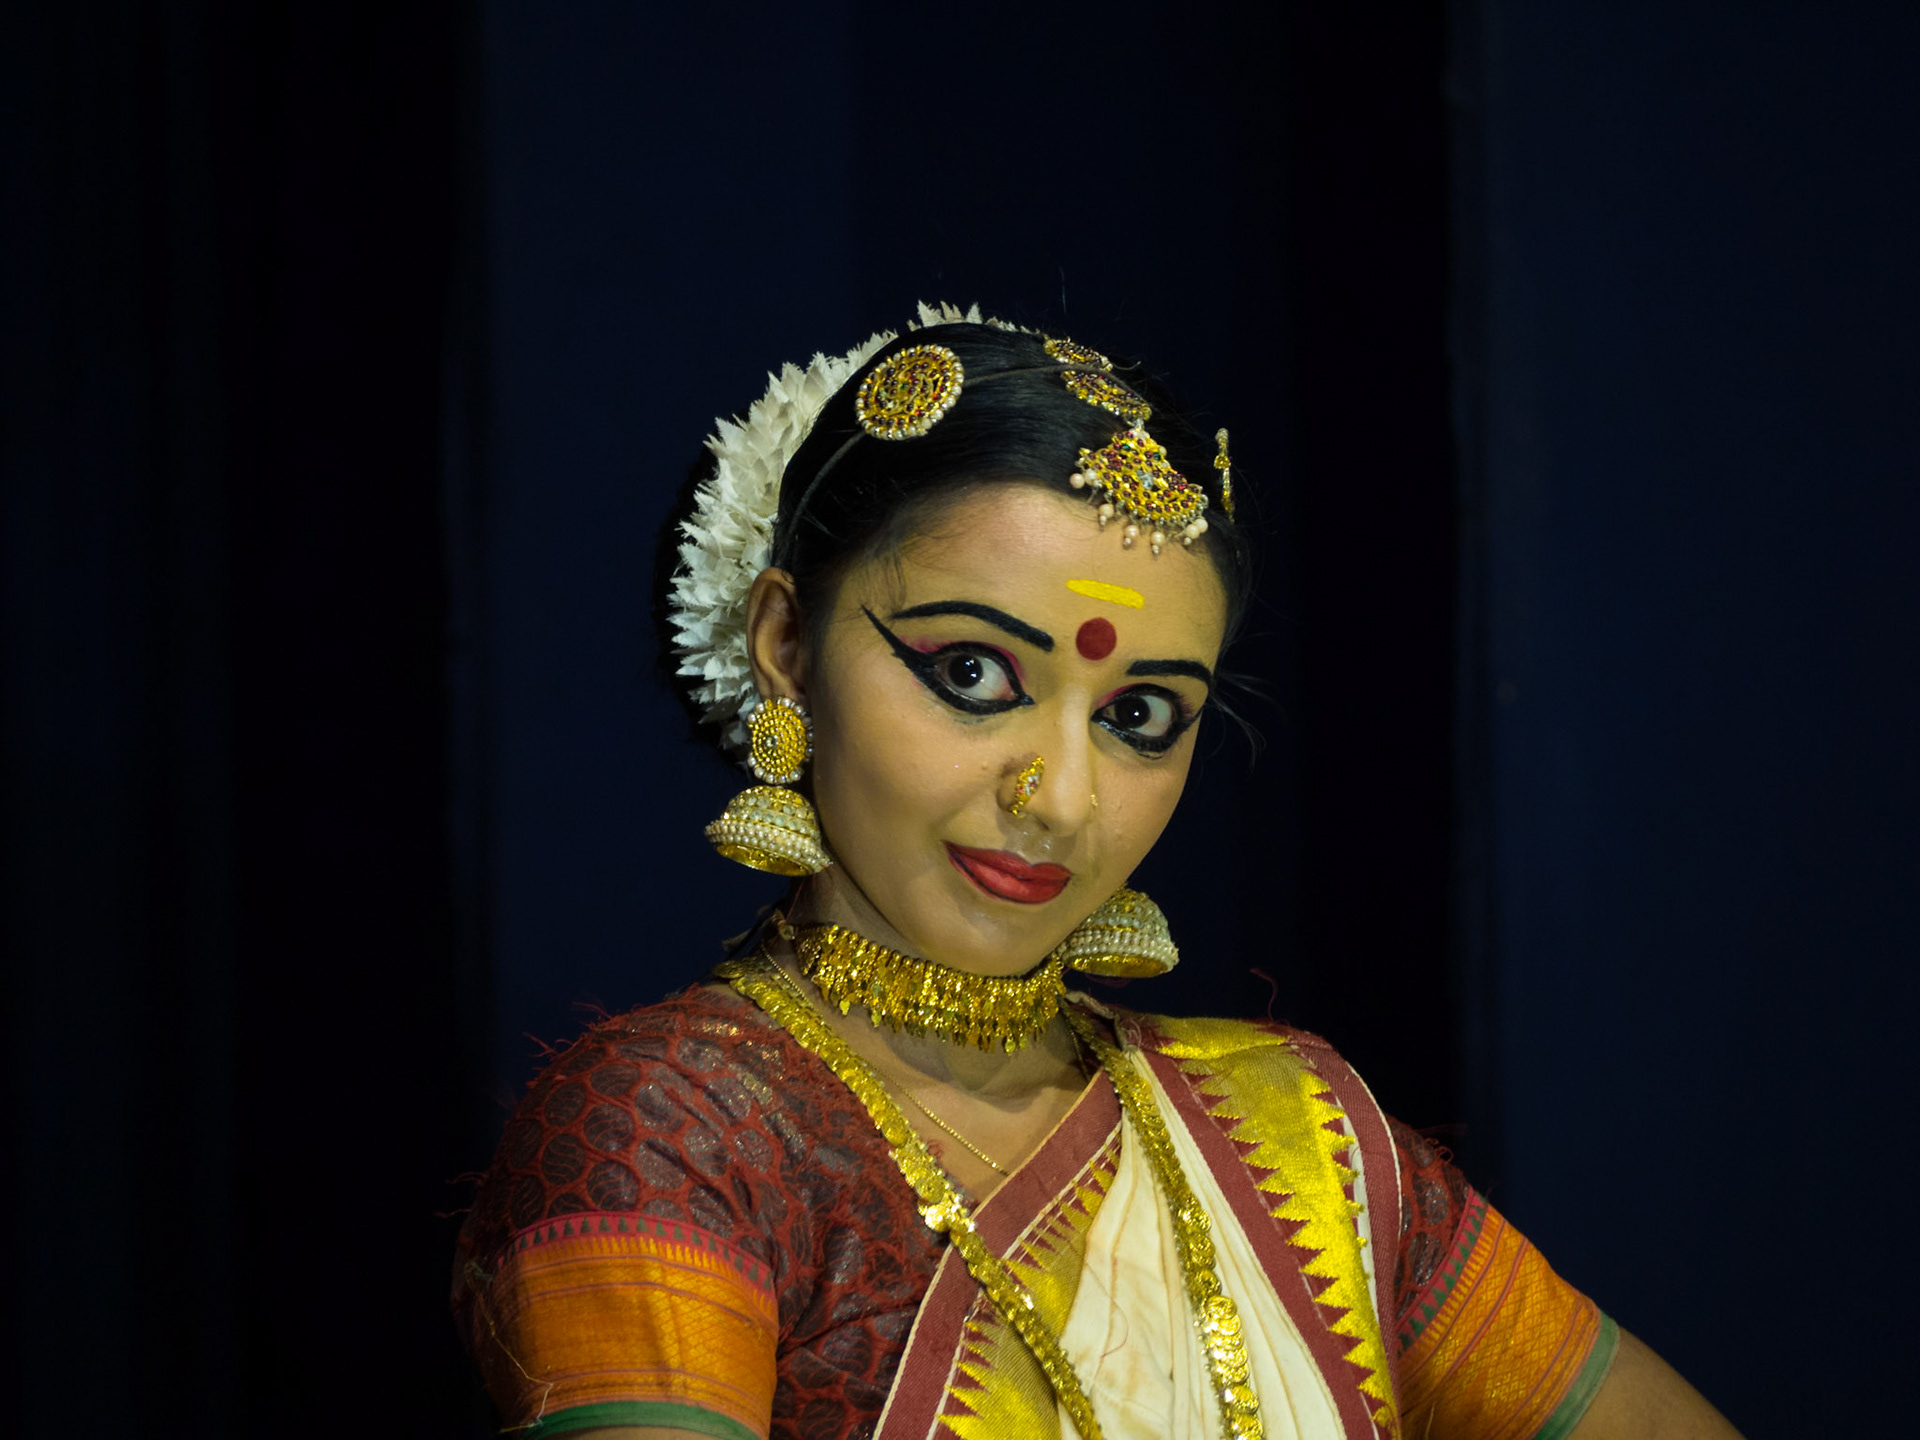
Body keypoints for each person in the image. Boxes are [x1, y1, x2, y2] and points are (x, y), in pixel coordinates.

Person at [452, 304, 1740, 1440]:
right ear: (786, 642)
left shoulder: (1307, 1140)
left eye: (1139, 719)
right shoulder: (676, 1139)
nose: (1061, 799)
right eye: (972, 676)